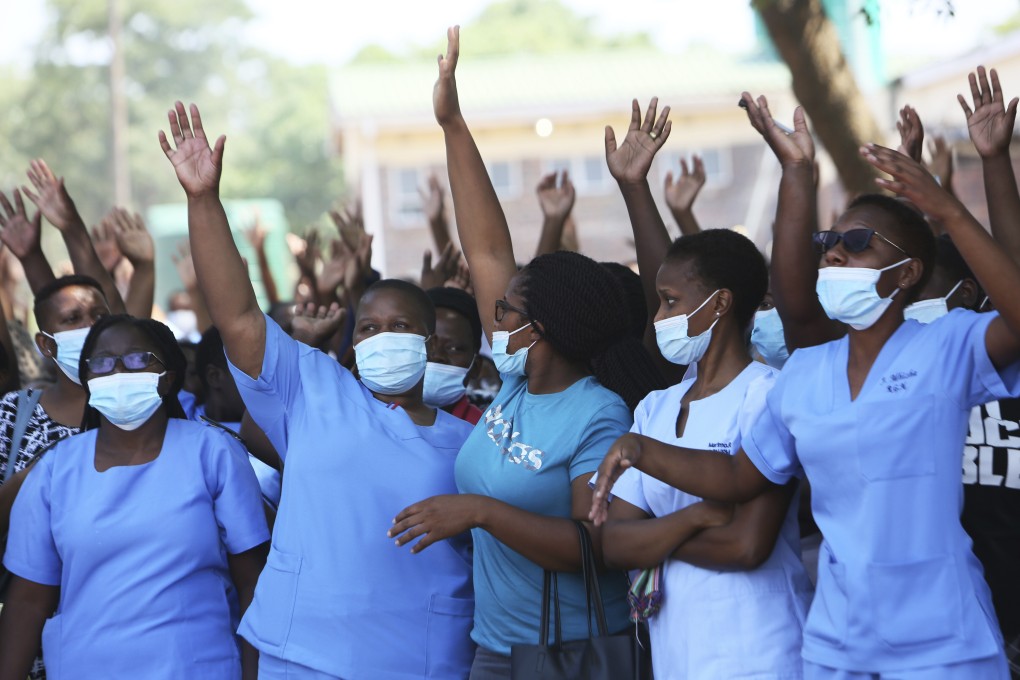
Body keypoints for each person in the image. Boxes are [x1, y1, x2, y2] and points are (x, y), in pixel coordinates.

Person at [591, 86, 1020, 676]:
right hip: (836, 644)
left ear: (908, 274)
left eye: (858, 242)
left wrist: (954, 204)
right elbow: (740, 474)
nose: (836, 255)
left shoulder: (945, 346)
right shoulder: (808, 373)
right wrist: (642, 450)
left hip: (942, 638)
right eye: (829, 243)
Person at [159, 100, 476, 679]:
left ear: (432, 344)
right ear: (352, 344)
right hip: (301, 654)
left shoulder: (472, 439)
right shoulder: (314, 390)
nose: (383, 337)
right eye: (371, 327)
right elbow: (239, 318)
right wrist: (203, 200)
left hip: (422, 657)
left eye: (402, 327)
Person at [386, 27, 664, 679]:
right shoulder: (513, 385)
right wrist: (453, 124)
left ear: (537, 329)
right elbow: (485, 250)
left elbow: (592, 542)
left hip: (570, 655)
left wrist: (481, 511)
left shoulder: (599, 414)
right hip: (496, 648)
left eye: (504, 311)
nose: (493, 319)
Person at [599, 96, 811, 678]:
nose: (659, 316)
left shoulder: (767, 395)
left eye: (670, 302)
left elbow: (748, 547)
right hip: (678, 658)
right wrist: (697, 518)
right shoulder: (655, 407)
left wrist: (653, 538)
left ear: (720, 305)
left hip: (763, 655)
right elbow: (612, 543)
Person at [0, 315, 269, 680]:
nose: (120, 371)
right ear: (88, 380)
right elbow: (28, 602)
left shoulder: (213, 452)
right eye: (103, 362)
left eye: (139, 359)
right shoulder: (54, 470)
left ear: (169, 377)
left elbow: (253, 583)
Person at [424, 287, 484, 425]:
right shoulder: (378, 420)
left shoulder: (485, 434)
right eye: (427, 344)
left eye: (454, 348)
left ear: (476, 367)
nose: (437, 356)